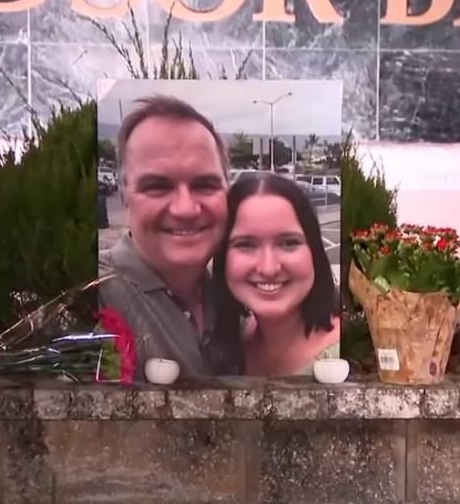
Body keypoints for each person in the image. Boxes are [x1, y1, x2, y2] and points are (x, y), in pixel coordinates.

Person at [98, 95, 243, 380]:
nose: (185, 209)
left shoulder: (243, 299)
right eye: (157, 186)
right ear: (124, 194)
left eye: (205, 185)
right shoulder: (94, 294)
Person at [212, 172, 341, 376]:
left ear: (314, 252)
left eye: (289, 243)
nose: (268, 268)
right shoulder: (233, 339)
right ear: (222, 257)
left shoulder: (343, 359)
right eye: (246, 245)